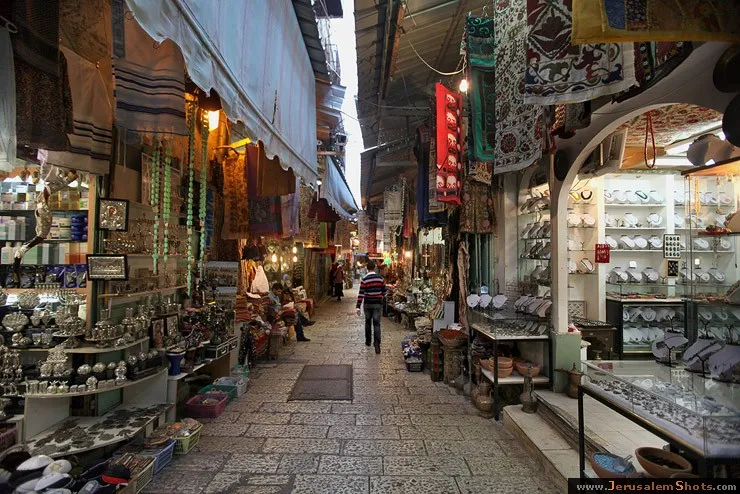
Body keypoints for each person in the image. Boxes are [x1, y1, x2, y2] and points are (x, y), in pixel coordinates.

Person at [356, 260, 386, 354]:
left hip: (368, 304)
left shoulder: (364, 279)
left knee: (368, 322)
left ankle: (368, 341)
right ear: (374, 268)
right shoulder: (380, 279)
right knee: (377, 324)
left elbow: (361, 294)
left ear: (367, 268)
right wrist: (380, 295)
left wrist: (358, 306)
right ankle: (377, 345)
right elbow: (384, 292)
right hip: (377, 304)